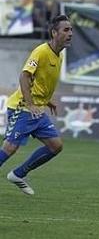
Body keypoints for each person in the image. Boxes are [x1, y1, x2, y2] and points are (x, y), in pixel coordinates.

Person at [0, 15, 72, 195]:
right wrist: (31, 104)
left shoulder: (59, 55)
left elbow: (39, 82)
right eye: (66, 30)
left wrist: (47, 101)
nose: (70, 33)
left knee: (56, 146)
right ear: (54, 33)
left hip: (37, 110)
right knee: (10, 147)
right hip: (23, 107)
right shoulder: (41, 52)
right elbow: (24, 76)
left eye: (71, 30)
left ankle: (18, 174)